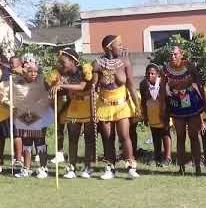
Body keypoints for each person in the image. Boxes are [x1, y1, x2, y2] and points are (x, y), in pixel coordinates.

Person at [92, 35, 140, 180]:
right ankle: (109, 168)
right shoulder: (97, 64)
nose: (121, 47)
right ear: (108, 47)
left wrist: (137, 106)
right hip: (104, 104)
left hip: (122, 104)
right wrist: (92, 110)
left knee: (125, 135)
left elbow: (131, 85)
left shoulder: (125, 62)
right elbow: (93, 88)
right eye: (118, 45)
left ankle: (131, 166)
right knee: (108, 137)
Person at [47, 48, 95, 179]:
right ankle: (72, 168)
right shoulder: (62, 75)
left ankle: (88, 167)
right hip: (74, 109)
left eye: (63, 62)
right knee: (73, 139)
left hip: (88, 107)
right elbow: (54, 89)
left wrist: (62, 86)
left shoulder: (84, 71)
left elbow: (82, 87)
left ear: (73, 61)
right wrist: (55, 87)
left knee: (89, 139)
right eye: (60, 63)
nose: (61, 65)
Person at [164, 45, 206, 176]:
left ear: (181, 54)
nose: (173, 56)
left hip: (191, 101)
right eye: (171, 54)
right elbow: (163, 89)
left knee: (194, 135)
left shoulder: (189, 66)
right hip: (176, 103)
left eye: (175, 54)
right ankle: (181, 168)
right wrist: (164, 107)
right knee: (180, 136)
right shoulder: (165, 69)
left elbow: (199, 84)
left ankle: (198, 167)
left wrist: (204, 102)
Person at [13, 57, 54, 178]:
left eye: (35, 71)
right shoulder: (19, 81)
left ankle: (43, 168)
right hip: (25, 114)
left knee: (39, 141)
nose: (33, 73)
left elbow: (48, 97)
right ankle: (27, 168)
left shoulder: (42, 81)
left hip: (40, 114)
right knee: (26, 140)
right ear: (25, 71)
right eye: (30, 71)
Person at [140, 63, 172, 167]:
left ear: (158, 74)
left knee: (165, 134)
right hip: (152, 114)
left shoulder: (163, 83)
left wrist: (168, 114)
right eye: (148, 74)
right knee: (155, 136)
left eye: (152, 73)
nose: (150, 76)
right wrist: (145, 115)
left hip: (163, 113)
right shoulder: (143, 84)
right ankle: (158, 157)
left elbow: (168, 97)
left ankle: (167, 158)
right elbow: (143, 101)